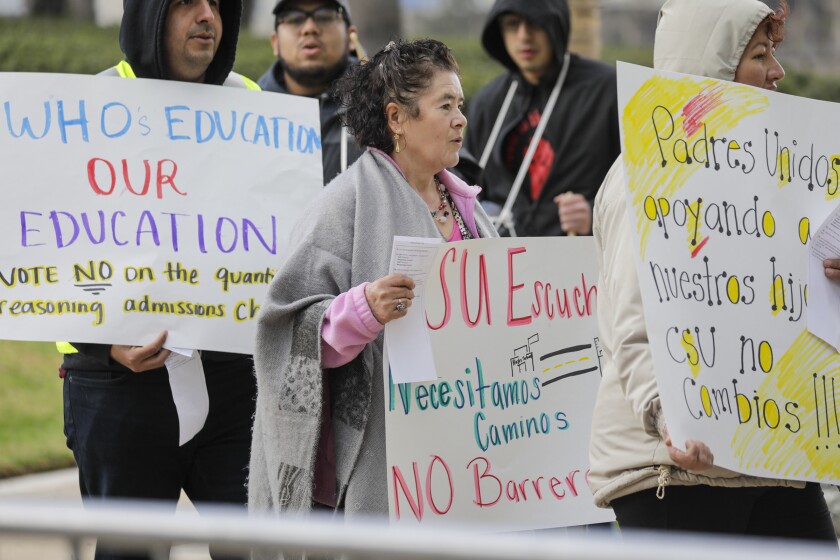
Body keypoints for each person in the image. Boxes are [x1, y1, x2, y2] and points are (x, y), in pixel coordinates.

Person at [589, 0, 837, 541]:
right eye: (759, 54)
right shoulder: (648, 175)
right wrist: (667, 415)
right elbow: (633, 326)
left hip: (775, 454)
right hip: (674, 468)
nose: (778, 71)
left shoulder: (780, 177)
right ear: (715, 65)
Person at [248, 39, 497, 520]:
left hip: (465, 450)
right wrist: (362, 310)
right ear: (397, 118)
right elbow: (283, 331)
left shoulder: (467, 207)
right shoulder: (341, 205)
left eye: (460, 105)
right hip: (385, 465)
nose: (460, 119)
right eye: (445, 105)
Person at [60, 1, 258, 559]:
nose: (207, 17)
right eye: (186, 3)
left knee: (259, 546)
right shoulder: (84, 111)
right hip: (119, 388)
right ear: (149, 14)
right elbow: (47, 249)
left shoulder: (252, 107)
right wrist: (101, 344)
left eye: (218, 4)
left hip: (232, 385)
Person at [460, 0, 620, 237]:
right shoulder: (488, 101)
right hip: (504, 262)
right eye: (512, 25)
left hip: (583, 262)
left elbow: (640, 184)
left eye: (535, 23)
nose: (524, 36)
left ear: (556, 25)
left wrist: (596, 214)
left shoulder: (608, 91)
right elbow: (465, 186)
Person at [258, 0, 364, 184]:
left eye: (325, 16)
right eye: (293, 18)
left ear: (351, 37)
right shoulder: (249, 113)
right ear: (275, 42)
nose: (309, 28)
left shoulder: (386, 108)